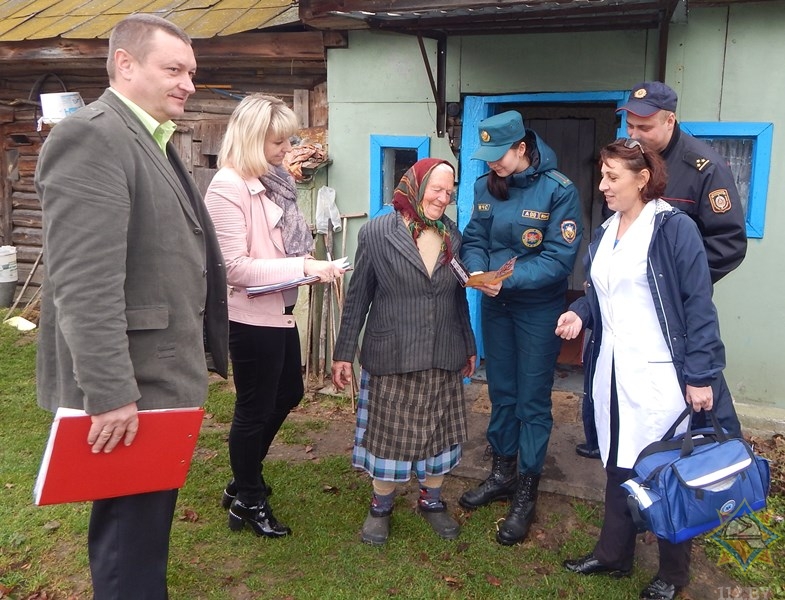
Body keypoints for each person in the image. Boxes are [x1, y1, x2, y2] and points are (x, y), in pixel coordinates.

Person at [34, 14, 228, 599]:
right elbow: (84, 285)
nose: (188, 83)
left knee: (142, 533)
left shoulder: (148, 137)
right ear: (125, 64)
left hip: (158, 378)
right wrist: (111, 394)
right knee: (128, 545)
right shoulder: (92, 136)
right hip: (130, 388)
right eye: (174, 69)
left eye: (191, 71)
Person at [556, 138, 740, 600]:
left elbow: (698, 306)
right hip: (612, 370)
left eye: (612, 177)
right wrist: (582, 312)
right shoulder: (607, 230)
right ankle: (614, 553)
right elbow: (604, 292)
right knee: (618, 462)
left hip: (660, 374)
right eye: (602, 175)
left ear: (643, 179)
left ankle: (674, 574)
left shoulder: (673, 229)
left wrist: (700, 375)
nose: (602, 186)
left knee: (664, 471)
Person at [576, 81, 746, 460]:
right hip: (623, 305)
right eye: (630, 126)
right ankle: (607, 438)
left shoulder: (705, 168)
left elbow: (729, 243)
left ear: (670, 121)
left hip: (674, 313)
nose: (635, 136)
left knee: (678, 405)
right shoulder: (627, 161)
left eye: (645, 127)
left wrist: (669, 284)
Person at [204, 94, 344, 538]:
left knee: (289, 392)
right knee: (254, 408)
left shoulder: (273, 179)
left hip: (280, 309)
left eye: (287, 141)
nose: (287, 151)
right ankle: (249, 496)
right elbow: (235, 267)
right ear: (250, 138)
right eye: (277, 143)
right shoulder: (228, 187)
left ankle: (243, 478)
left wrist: (305, 268)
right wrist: (304, 266)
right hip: (249, 316)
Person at [331, 158, 476, 546]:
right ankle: (381, 506)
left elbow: (457, 298)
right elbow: (359, 294)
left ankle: (431, 501)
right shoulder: (378, 232)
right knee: (388, 438)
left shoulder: (452, 236)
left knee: (439, 436)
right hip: (392, 352)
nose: (443, 198)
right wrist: (344, 351)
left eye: (449, 191)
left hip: (442, 350)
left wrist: (469, 344)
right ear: (416, 186)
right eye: (436, 189)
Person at [458, 111, 583, 546]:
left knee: (531, 399)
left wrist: (505, 279)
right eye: (487, 155)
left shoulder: (559, 191)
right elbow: (473, 239)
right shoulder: (484, 187)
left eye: (499, 155)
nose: (492, 163)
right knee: (502, 391)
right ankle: (501, 474)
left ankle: (527, 489)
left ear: (522, 149)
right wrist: (479, 273)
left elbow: (558, 258)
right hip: (497, 307)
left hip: (536, 310)